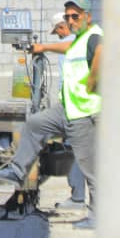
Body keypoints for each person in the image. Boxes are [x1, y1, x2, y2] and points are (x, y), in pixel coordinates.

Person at [0, 0, 102, 229]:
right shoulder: (79, 39)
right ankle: (18, 171)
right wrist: (44, 47)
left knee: (89, 167)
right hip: (66, 109)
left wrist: (93, 81)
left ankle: (97, 216)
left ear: (87, 17)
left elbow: (101, 52)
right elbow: (69, 45)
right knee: (35, 124)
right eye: (68, 16)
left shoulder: (94, 36)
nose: (71, 20)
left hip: (83, 113)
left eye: (75, 16)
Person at [33, 12, 87, 211]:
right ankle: (78, 196)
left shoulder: (74, 41)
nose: (57, 35)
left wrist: (43, 47)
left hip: (76, 106)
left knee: (75, 150)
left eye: (57, 31)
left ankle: (78, 198)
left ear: (62, 27)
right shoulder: (74, 41)